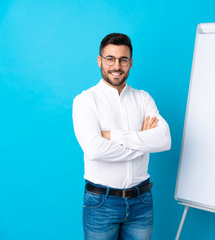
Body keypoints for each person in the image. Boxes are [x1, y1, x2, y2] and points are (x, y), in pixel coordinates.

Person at [72, 33, 171, 240]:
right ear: (99, 60)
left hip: (141, 201)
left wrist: (114, 136)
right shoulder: (85, 101)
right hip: (101, 202)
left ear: (130, 63)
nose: (117, 66)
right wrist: (143, 141)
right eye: (110, 59)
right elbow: (95, 150)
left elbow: (164, 140)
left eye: (123, 60)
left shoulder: (143, 99)